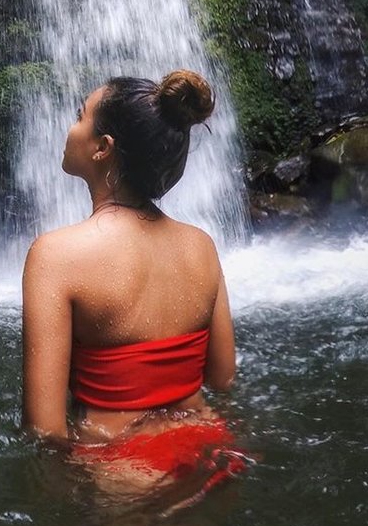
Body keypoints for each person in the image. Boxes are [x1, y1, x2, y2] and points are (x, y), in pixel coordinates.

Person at [21, 69, 241, 492]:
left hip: (121, 467)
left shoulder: (55, 256)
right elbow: (221, 376)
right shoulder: (202, 246)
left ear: (103, 148)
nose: (70, 127)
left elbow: (44, 430)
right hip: (212, 450)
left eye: (79, 115)